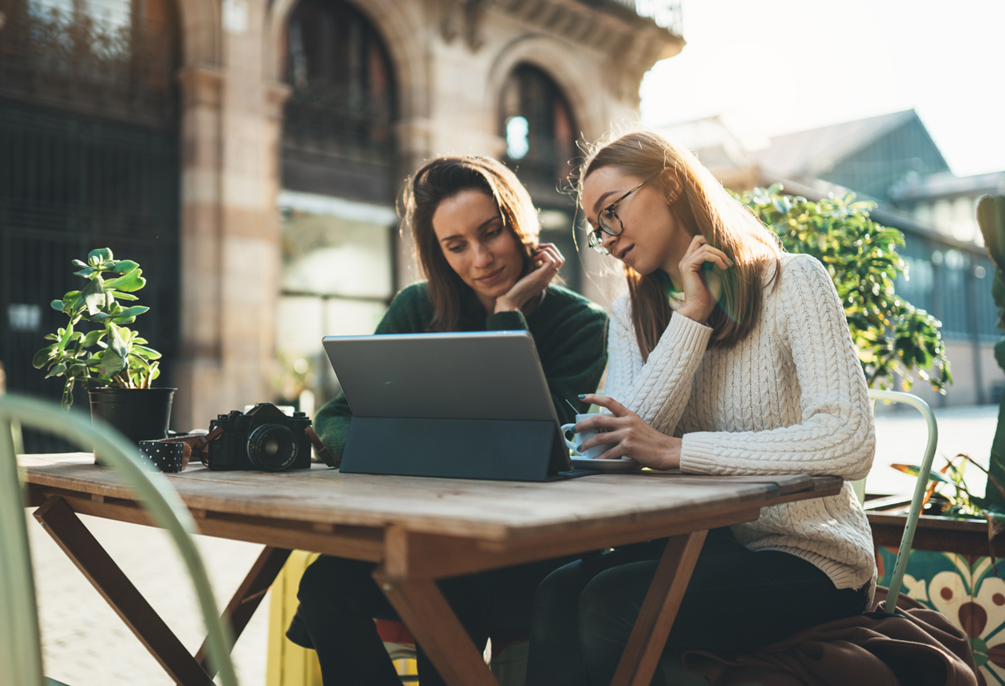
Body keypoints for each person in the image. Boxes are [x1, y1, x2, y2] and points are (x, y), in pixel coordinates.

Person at [524, 131, 877, 686]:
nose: (607, 237)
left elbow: (849, 441)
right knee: (555, 592)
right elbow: (610, 450)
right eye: (597, 229)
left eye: (612, 212)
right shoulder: (631, 314)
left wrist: (677, 452)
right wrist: (690, 318)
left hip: (813, 558)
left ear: (668, 183)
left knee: (610, 603)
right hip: (696, 549)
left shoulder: (794, 281)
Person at [286, 155, 609, 686]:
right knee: (324, 584)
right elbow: (337, 419)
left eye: (491, 233)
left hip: (528, 552)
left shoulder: (582, 326)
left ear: (520, 224)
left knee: (442, 594)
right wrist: (408, 450)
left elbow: (531, 444)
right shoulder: (418, 309)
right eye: (456, 246)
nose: (480, 259)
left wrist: (508, 313)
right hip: (426, 537)